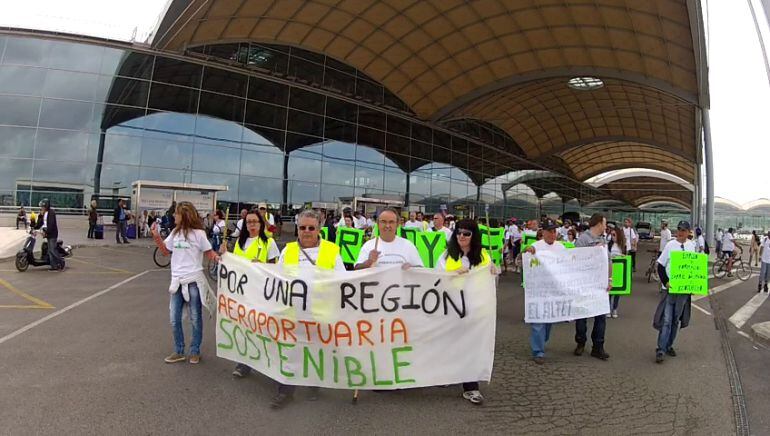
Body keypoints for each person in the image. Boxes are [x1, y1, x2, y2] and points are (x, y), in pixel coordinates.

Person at [273, 209, 345, 408]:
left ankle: (314, 385)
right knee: (289, 352)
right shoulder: (288, 250)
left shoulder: (332, 250)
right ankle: (285, 391)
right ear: (297, 228)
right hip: (293, 312)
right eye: (302, 227)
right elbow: (277, 278)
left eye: (311, 228)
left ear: (319, 229)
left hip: (320, 312)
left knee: (316, 350)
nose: (306, 231)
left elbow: (342, 280)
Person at [436, 219, 498, 405]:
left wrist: (495, 271)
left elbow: (491, 283)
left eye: (467, 233)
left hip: (475, 311)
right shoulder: (447, 256)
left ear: (474, 236)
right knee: (451, 345)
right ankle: (448, 375)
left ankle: (471, 387)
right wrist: (452, 274)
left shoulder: (484, 256)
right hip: (452, 309)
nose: (462, 236)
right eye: (459, 233)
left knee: (471, 347)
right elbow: (436, 279)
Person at [151, 201, 219, 365]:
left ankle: (195, 351)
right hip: (177, 281)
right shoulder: (175, 233)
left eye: (176, 213)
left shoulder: (199, 234)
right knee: (174, 319)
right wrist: (157, 237)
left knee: (195, 318)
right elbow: (166, 251)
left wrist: (221, 257)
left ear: (185, 215)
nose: (174, 216)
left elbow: (210, 254)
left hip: (193, 281)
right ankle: (179, 351)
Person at [225, 209, 280, 378]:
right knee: (245, 328)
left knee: (262, 328)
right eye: (248, 222)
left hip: (262, 292)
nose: (252, 225)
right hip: (243, 292)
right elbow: (234, 265)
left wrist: (262, 265)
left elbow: (276, 269)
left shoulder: (268, 243)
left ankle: (267, 362)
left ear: (261, 223)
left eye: (255, 221)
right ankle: (244, 363)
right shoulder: (240, 243)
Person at [524, 218, 566, 364]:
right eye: (550, 231)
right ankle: (538, 351)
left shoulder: (561, 247)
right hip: (538, 292)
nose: (552, 234)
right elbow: (526, 260)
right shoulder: (536, 246)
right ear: (543, 232)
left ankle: (542, 341)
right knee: (539, 321)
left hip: (553, 292)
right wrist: (528, 252)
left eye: (554, 231)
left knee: (548, 322)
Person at [654, 220, 696, 363]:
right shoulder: (670, 245)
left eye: (683, 230)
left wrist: (694, 285)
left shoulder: (692, 246)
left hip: (683, 291)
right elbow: (660, 266)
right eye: (679, 229)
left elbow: (694, 269)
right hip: (669, 290)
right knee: (666, 320)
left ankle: (668, 345)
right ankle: (660, 349)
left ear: (689, 232)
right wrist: (666, 281)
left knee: (675, 320)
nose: (680, 232)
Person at [573, 213, 612, 360]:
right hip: (585, 284)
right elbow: (575, 259)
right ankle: (580, 342)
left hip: (600, 285)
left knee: (600, 317)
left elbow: (608, 261)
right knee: (582, 316)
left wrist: (609, 279)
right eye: (604, 223)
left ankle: (598, 346)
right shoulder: (583, 239)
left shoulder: (603, 240)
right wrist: (594, 250)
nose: (605, 226)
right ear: (598, 224)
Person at [356, 208, 424, 270]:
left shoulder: (408, 245)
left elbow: (421, 270)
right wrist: (369, 262)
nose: (387, 225)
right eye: (383, 221)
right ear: (378, 223)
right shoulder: (369, 245)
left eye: (391, 222)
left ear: (397, 224)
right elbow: (356, 270)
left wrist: (412, 268)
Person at [34, 199, 63, 272]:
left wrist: (46, 232)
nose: (41, 208)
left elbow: (51, 224)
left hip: (52, 234)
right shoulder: (43, 213)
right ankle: (54, 266)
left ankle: (61, 262)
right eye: (41, 207)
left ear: (46, 206)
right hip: (48, 234)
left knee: (53, 250)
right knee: (49, 251)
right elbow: (39, 224)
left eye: (42, 207)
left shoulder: (51, 213)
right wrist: (40, 217)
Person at [609, 226, 627, 318]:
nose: (612, 237)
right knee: (610, 290)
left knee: (617, 291)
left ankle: (615, 308)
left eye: (614, 235)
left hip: (619, 269)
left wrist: (622, 256)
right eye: (611, 235)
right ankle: (608, 309)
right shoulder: (609, 244)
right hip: (611, 269)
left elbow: (626, 256)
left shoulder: (622, 245)